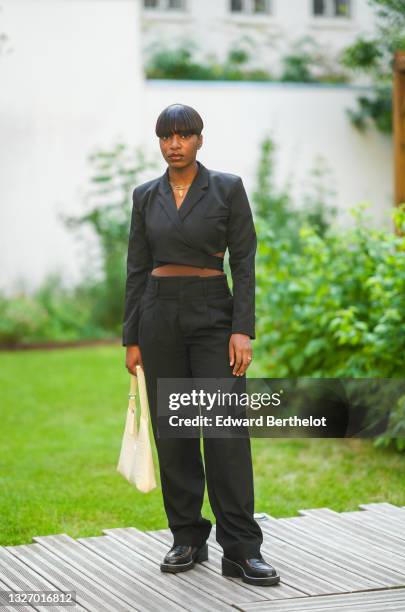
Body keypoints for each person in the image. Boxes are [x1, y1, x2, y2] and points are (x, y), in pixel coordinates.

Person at [123, 103, 280, 587]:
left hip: (214, 313)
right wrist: (132, 337)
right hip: (158, 315)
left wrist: (241, 328)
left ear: (199, 140)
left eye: (184, 135)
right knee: (174, 432)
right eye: (167, 137)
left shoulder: (227, 188)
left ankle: (241, 549)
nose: (175, 144)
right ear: (160, 143)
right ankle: (187, 537)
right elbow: (135, 267)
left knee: (225, 432)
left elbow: (245, 262)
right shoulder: (145, 196)